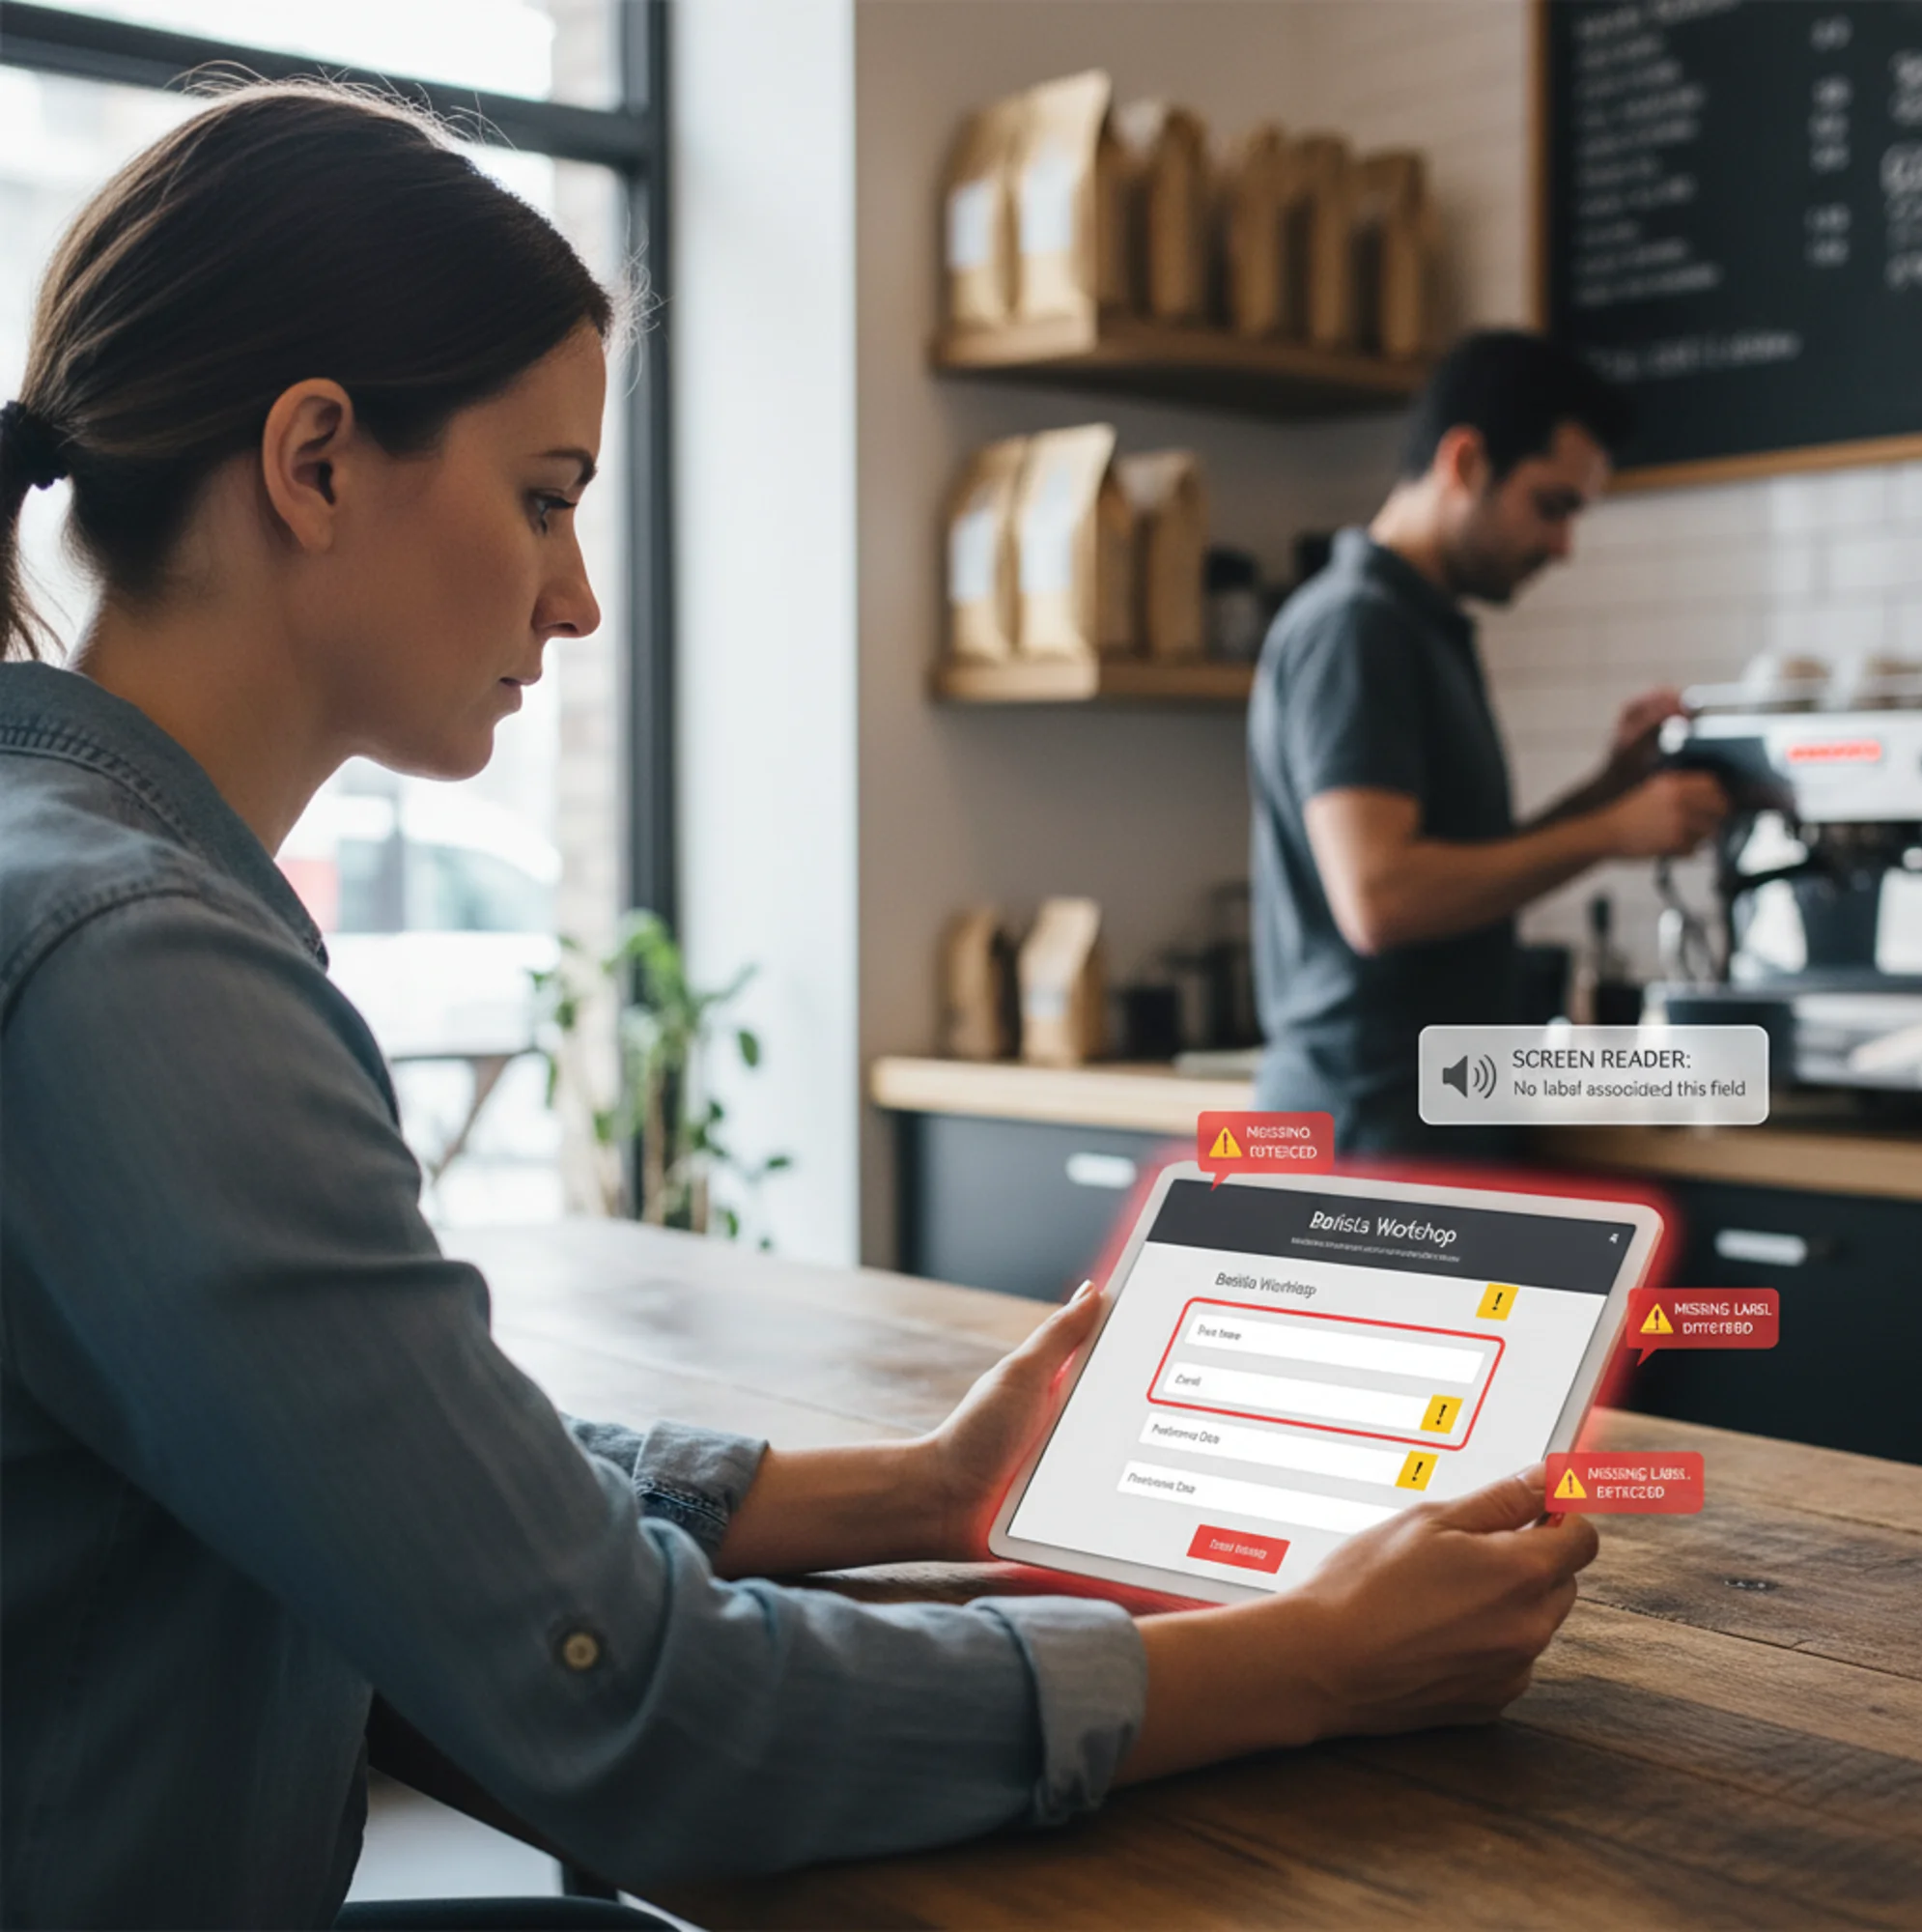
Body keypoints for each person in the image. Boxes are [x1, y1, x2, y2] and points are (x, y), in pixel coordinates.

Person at [0, 89, 1598, 1931]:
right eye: (544, 501)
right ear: (315, 462)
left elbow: (389, 1457)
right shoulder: (140, 966)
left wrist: (914, 1491)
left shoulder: (86, 888)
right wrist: (1310, 1659)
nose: (580, 600)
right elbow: (644, 1708)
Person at [1248, 330, 1731, 1153]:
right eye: (1552, 505)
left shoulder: (1419, 627)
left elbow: (1457, 865)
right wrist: (1614, 833)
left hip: (1429, 1099)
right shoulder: (1358, 626)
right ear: (1466, 461)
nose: (1562, 546)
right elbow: (1382, 897)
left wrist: (1610, 790)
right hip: (1369, 1123)